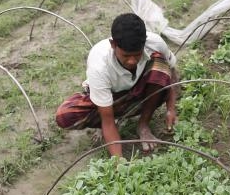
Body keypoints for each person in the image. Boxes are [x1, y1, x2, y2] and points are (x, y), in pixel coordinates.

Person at [55, 13, 179, 157]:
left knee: (161, 65)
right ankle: (109, 124)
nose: (132, 61)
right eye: (126, 56)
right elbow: (107, 120)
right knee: (65, 115)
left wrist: (171, 109)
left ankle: (143, 125)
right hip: (111, 100)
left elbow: (172, 73)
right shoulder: (99, 65)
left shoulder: (156, 44)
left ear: (144, 42)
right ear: (113, 44)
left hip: (140, 89)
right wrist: (119, 163)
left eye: (137, 55)